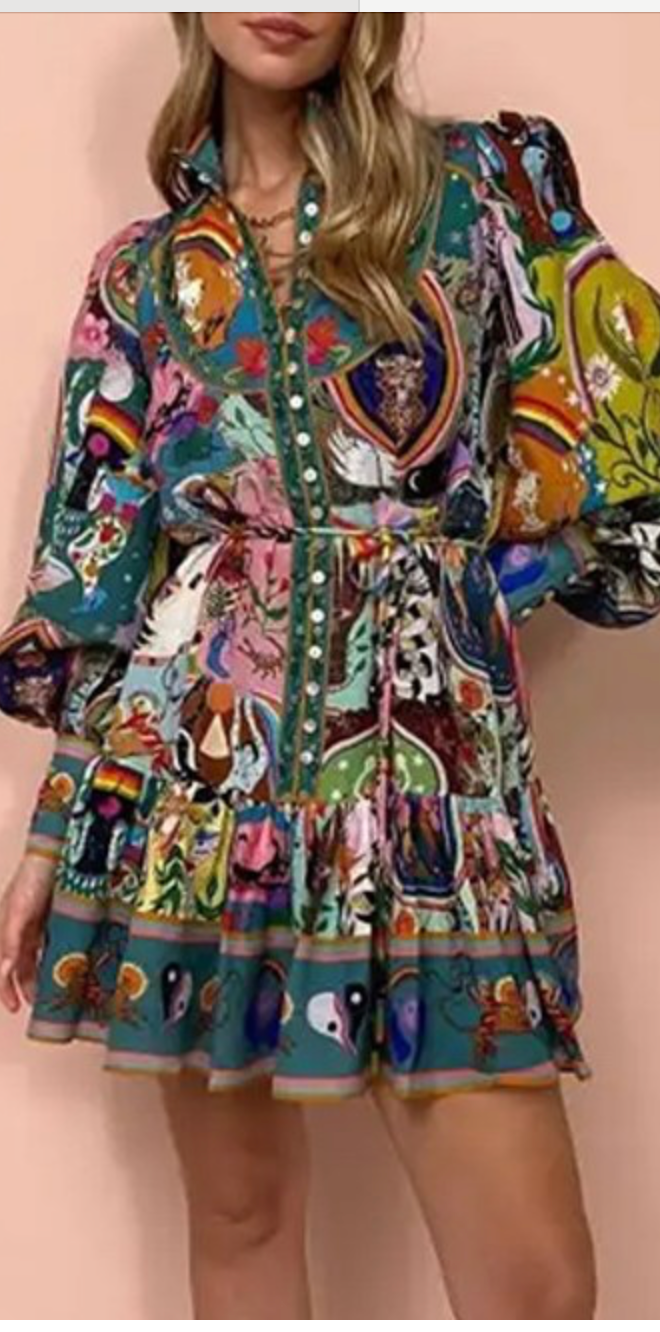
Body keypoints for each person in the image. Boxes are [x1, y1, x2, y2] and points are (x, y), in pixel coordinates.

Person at [0, 10, 658, 1320]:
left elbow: (629, 438)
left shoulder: (485, 191)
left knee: (534, 1284)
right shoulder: (141, 277)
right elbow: (106, 581)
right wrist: (55, 833)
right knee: (241, 1218)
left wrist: (462, 591)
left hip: (435, 805)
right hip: (193, 804)